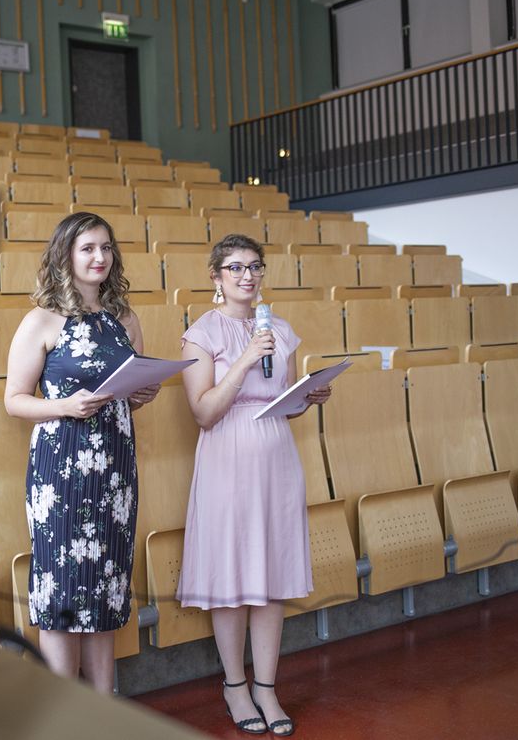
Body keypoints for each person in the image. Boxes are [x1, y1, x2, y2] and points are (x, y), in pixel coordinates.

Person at [176, 234, 332, 736]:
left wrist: (307, 396)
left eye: (255, 266)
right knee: (232, 576)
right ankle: (234, 684)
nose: (248, 275)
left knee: (272, 573)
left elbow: (278, 397)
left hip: (276, 455)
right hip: (227, 456)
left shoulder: (279, 329)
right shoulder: (200, 333)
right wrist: (243, 360)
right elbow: (203, 412)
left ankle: (267, 686)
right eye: (236, 267)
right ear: (216, 276)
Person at [4, 211, 161, 692]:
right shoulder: (42, 320)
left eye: (106, 248)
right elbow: (13, 401)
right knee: (61, 591)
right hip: (61, 469)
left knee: (106, 590)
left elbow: (132, 386)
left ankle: (102, 708)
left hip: (115, 470)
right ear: (66, 255)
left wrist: (142, 394)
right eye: (88, 248)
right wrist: (65, 406)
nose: (100, 257)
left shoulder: (124, 319)